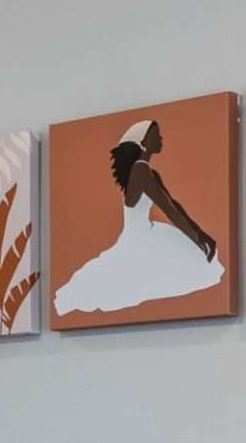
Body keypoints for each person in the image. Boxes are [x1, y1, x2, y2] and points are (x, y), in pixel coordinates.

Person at [54, 118, 223, 318]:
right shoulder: (140, 171)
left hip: (145, 231)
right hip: (138, 236)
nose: (161, 139)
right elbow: (169, 210)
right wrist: (197, 239)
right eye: (156, 135)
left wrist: (201, 235)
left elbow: (174, 205)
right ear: (143, 142)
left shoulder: (147, 171)